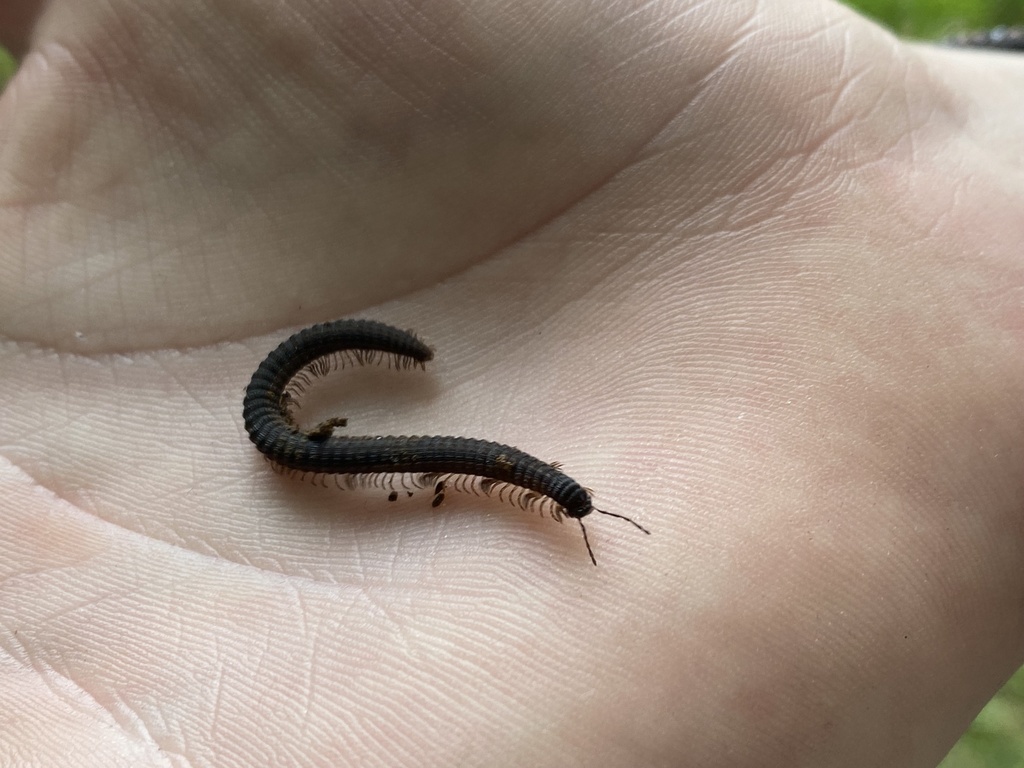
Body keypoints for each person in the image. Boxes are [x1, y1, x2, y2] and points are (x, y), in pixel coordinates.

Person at [0, 1, 1021, 765]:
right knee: (429, 458)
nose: (555, 500)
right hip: (294, 432)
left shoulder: (489, 471)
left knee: (439, 460)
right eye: (562, 497)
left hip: (314, 434)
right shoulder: (313, 436)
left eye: (559, 498)